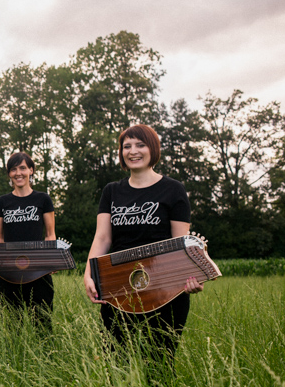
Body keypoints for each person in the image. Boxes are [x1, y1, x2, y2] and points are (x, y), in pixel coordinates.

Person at [83, 124, 203, 368]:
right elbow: (103, 238)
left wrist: (191, 277)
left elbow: (181, 244)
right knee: (115, 365)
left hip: (164, 290)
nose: (132, 151)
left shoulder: (173, 189)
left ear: (153, 149)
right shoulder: (112, 191)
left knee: (159, 365)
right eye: (126, 146)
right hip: (117, 287)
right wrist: (89, 273)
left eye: (140, 145)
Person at [0, 152, 56, 330]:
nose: (18, 173)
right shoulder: (2, 202)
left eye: (23, 168)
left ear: (31, 170)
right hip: (9, 271)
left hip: (38, 271)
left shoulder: (43, 199)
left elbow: (50, 234)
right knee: (12, 326)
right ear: (9, 174)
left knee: (42, 324)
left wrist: (52, 259)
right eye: (13, 169)